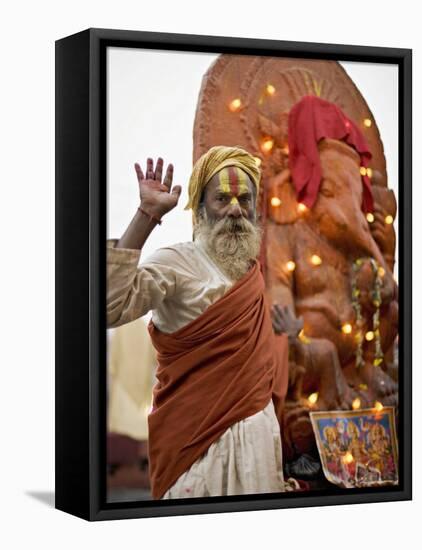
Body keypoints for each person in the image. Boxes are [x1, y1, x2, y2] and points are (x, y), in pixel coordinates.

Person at [107, 145, 291, 499]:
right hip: (197, 450)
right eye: (222, 198)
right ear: (201, 209)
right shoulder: (177, 262)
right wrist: (146, 214)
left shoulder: (251, 273)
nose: (236, 209)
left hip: (258, 446)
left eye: (245, 199)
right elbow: (109, 307)